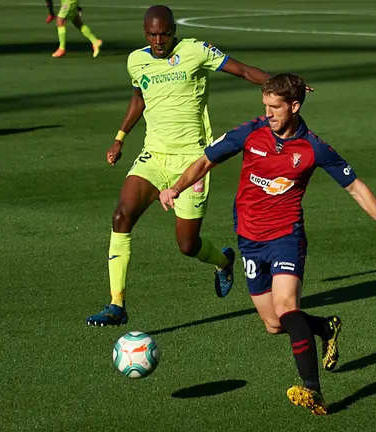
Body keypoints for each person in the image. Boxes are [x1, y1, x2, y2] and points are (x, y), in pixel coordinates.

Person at [159, 73, 376, 415]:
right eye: (265, 106)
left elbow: (355, 187)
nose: (267, 113)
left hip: (286, 237)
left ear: (295, 106)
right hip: (249, 240)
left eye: (275, 107)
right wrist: (177, 187)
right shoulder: (250, 132)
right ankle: (323, 326)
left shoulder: (313, 148)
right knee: (274, 324)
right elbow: (206, 159)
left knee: (286, 307)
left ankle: (312, 389)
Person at [86, 5, 276, 327]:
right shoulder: (136, 60)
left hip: (193, 163)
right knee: (121, 216)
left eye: (165, 33)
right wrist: (120, 137)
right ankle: (117, 304)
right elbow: (139, 97)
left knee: (187, 245)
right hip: (154, 157)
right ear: (145, 33)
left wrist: (281, 84)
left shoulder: (196, 50)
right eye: (152, 34)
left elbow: (242, 71)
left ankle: (223, 261)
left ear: (174, 30)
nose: (159, 40)